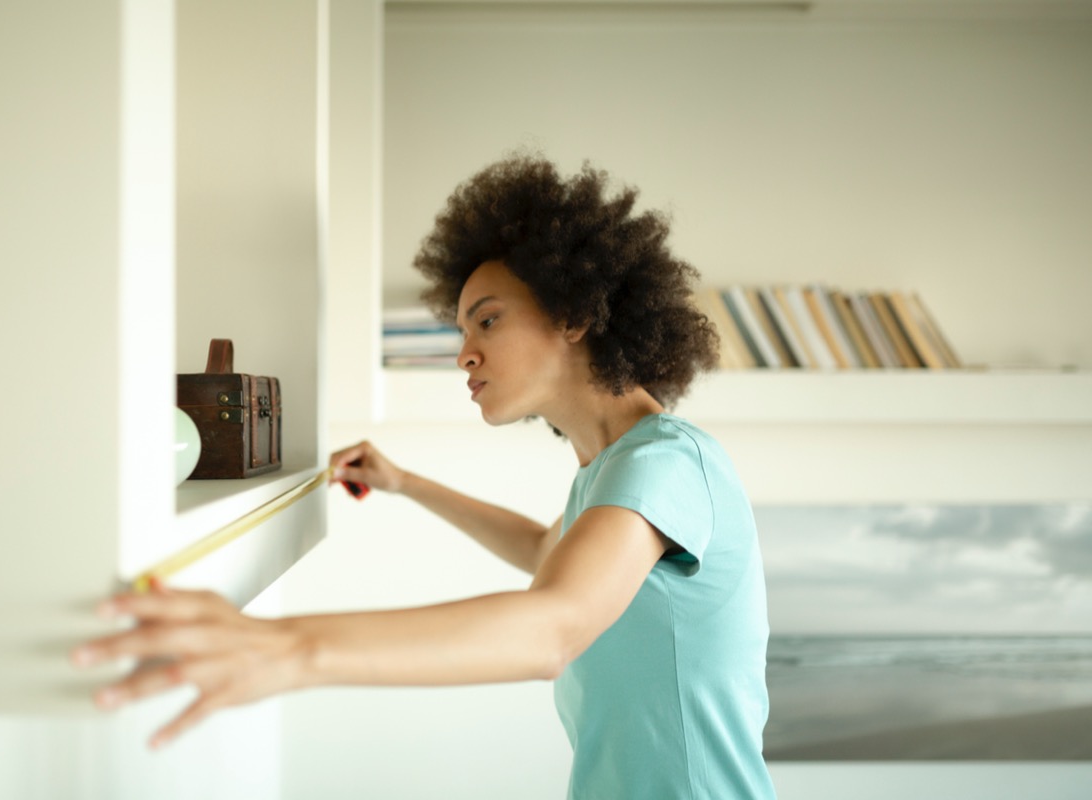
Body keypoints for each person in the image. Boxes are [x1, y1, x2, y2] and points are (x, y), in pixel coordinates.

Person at [72, 154, 777, 799]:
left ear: (573, 313)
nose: (464, 355)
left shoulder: (667, 462)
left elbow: (552, 630)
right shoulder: (612, 471)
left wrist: (287, 648)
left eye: (487, 322)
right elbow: (543, 552)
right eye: (462, 333)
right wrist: (406, 483)